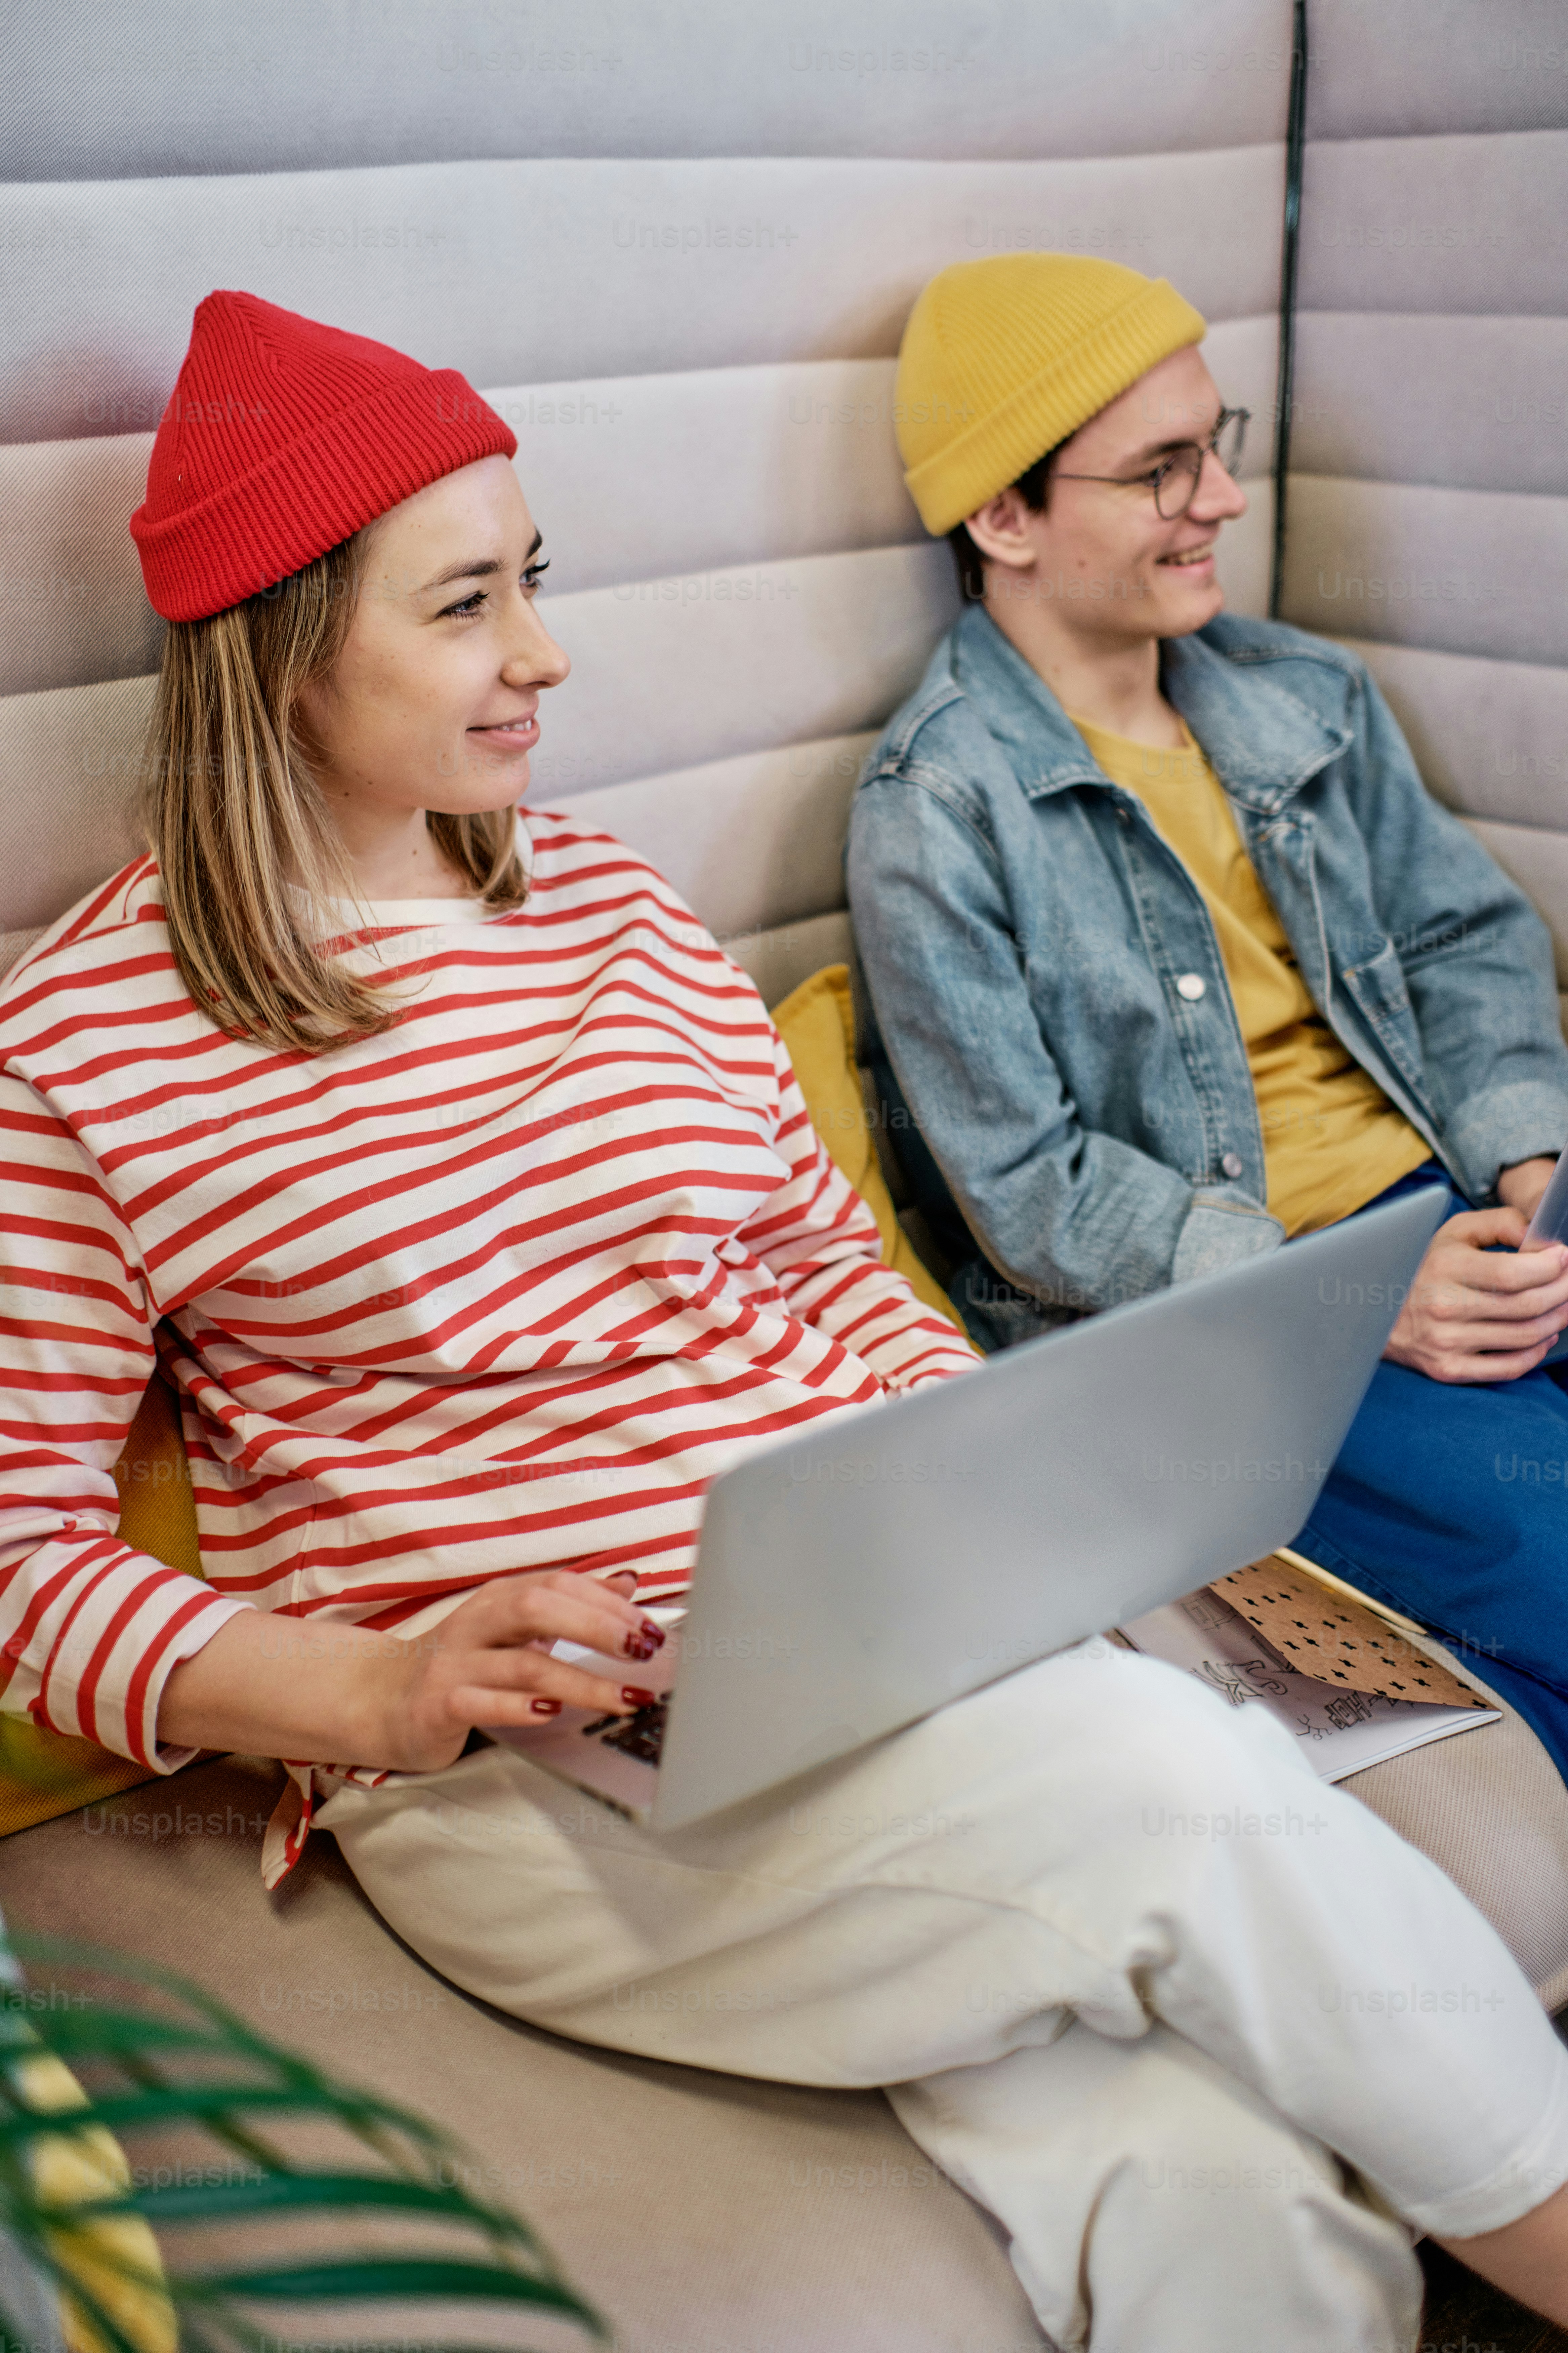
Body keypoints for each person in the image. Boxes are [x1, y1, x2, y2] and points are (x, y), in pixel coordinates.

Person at [4, 289, 1568, 2352]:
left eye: (533, 579)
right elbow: (23, 1558)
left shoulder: (615, 906)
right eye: (466, 604)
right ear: (282, 645)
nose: (543, 653)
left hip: (868, 1642)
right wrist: (375, 1688)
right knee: (1164, 1785)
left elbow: (829, 1264)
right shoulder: (87, 1046)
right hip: (533, 1763)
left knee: (1231, 2189)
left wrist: (989, 1481)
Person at [848, 249, 1568, 1791]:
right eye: (1161, 470)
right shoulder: (936, 808)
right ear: (1003, 516)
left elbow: (1468, 941)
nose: (1224, 499)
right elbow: (1030, 1190)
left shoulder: (1306, 692)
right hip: (1244, 1324)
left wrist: (1526, 1161)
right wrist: (1353, 1293)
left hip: (1469, 1203)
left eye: (1214, 445)